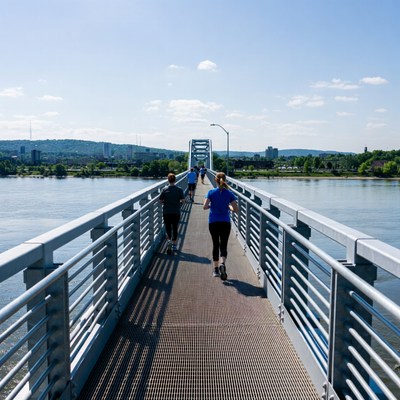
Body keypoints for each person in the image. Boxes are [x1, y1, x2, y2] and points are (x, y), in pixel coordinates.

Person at [203, 172, 239, 280]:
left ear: (215, 180)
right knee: (223, 244)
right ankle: (223, 263)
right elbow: (236, 209)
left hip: (213, 222)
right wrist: (228, 207)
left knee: (215, 244)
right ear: (225, 180)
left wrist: (211, 205)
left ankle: (215, 269)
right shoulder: (229, 193)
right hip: (225, 222)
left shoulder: (210, 192)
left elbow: (204, 207)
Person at [159, 173, 185, 253]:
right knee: (175, 228)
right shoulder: (179, 189)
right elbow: (183, 201)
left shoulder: (164, 189)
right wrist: (178, 203)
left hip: (166, 212)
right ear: (175, 180)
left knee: (168, 228)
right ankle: (174, 246)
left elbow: (160, 201)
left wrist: (165, 203)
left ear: (168, 180)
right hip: (176, 212)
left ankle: (169, 241)